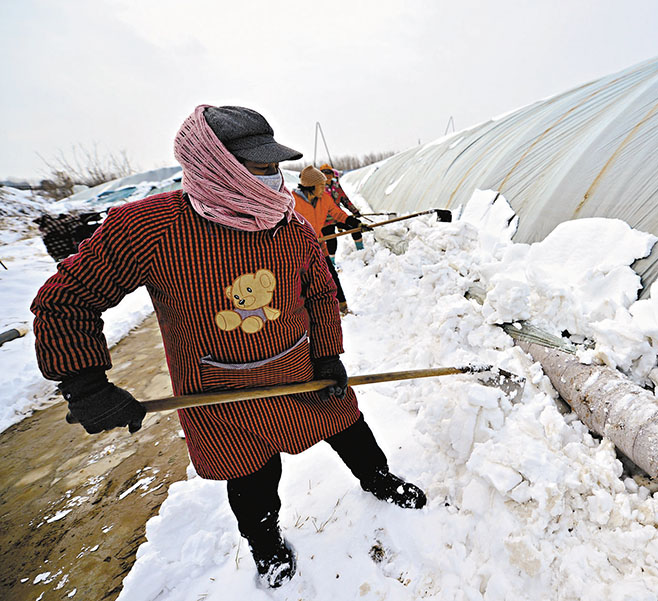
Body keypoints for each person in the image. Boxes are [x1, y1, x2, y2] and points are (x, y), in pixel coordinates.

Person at [30, 105, 426, 589]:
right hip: (218, 391)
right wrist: (85, 383)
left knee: (348, 425)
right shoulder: (149, 228)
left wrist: (328, 353)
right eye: (259, 167)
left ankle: (378, 480)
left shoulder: (288, 224)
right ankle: (266, 543)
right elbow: (67, 299)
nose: (273, 180)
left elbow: (320, 292)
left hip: (302, 369)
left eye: (274, 167)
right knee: (251, 474)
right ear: (215, 165)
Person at [292, 166, 362, 314]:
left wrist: (354, 223)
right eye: (321, 186)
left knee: (331, 275)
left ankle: (342, 307)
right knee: (303, 282)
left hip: (319, 245)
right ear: (310, 186)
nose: (324, 189)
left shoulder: (324, 198)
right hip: (299, 251)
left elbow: (337, 214)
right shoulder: (293, 202)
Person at [318, 163, 365, 257]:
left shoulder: (336, 186)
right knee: (331, 240)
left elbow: (345, 200)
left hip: (338, 216)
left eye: (329, 173)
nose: (327, 176)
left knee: (355, 227)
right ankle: (331, 264)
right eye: (324, 173)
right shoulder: (317, 188)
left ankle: (362, 252)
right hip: (325, 220)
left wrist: (355, 211)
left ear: (332, 174)